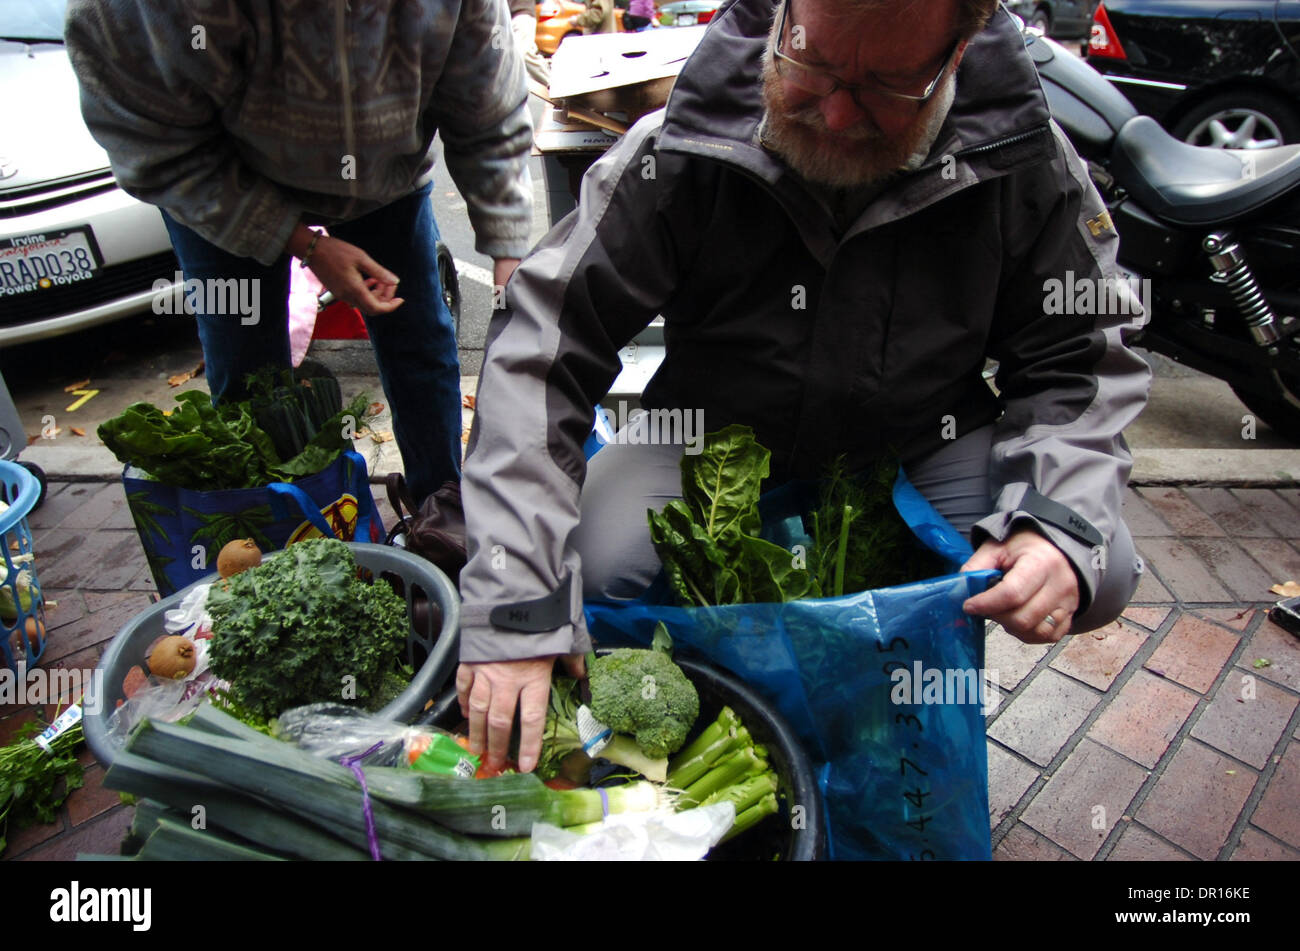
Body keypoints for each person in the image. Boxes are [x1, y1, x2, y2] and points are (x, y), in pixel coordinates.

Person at [455, 0, 1152, 773]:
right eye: (813, 61)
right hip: (705, 438)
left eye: (888, 84)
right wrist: (516, 601)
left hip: (923, 443)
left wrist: (1049, 524)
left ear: (955, 58)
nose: (838, 111)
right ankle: (680, 714)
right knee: (586, 561)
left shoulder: (1022, 159)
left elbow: (1080, 350)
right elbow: (545, 342)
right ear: (781, 16)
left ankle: (886, 692)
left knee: (1100, 561)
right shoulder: (677, 149)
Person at [63, 0, 534, 505]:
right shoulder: (134, 11)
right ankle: (267, 542)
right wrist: (306, 244)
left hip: (382, 181)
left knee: (418, 343)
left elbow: (487, 110)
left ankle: (439, 513)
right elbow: (154, 151)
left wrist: (509, 254)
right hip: (224, 180)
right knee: (248, 377)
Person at [509, 0, 553, 88]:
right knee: (511, 57)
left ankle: (553, 83)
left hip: (522, 16)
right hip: (510, 18)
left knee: (524, 54)